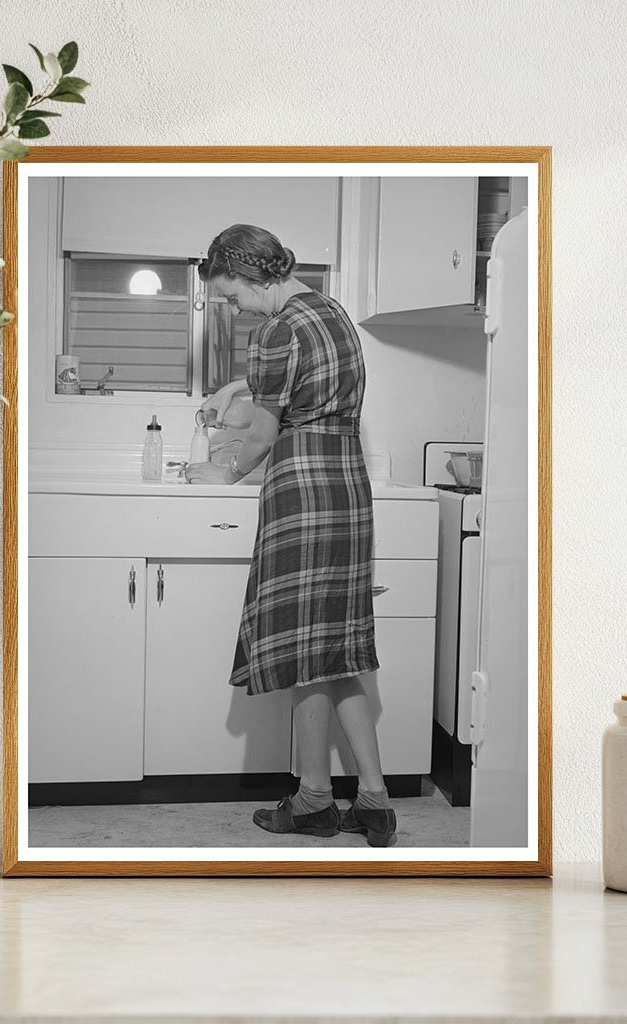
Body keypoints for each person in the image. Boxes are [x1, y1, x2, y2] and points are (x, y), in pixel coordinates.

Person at [187, 223, 397, 848]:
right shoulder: (333, 313)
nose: (233, 307)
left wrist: (223, 473)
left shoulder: (276, 330)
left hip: (302, 490)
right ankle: (373, 800)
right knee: (335, 649)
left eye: (231, 295)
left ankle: (313, 800)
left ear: (255, 275)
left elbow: (260, 434)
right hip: (347, 489)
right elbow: (304, 398)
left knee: (310, 651)